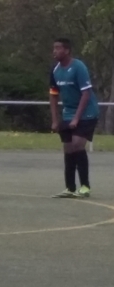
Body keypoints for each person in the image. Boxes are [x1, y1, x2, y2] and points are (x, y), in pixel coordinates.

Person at [50, 38, 99, 199]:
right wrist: (55, 120)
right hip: (68, 113)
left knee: (77, 144)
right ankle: (70, 188)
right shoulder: (55, 70)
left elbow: (86, 93)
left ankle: (85, 186)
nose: (55, 51)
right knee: (68, 148)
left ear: (67, 51)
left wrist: (76, 119)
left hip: (87, 113)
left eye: (58, 48)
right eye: (54, 48)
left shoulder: (78, 67)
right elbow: (53, 94)